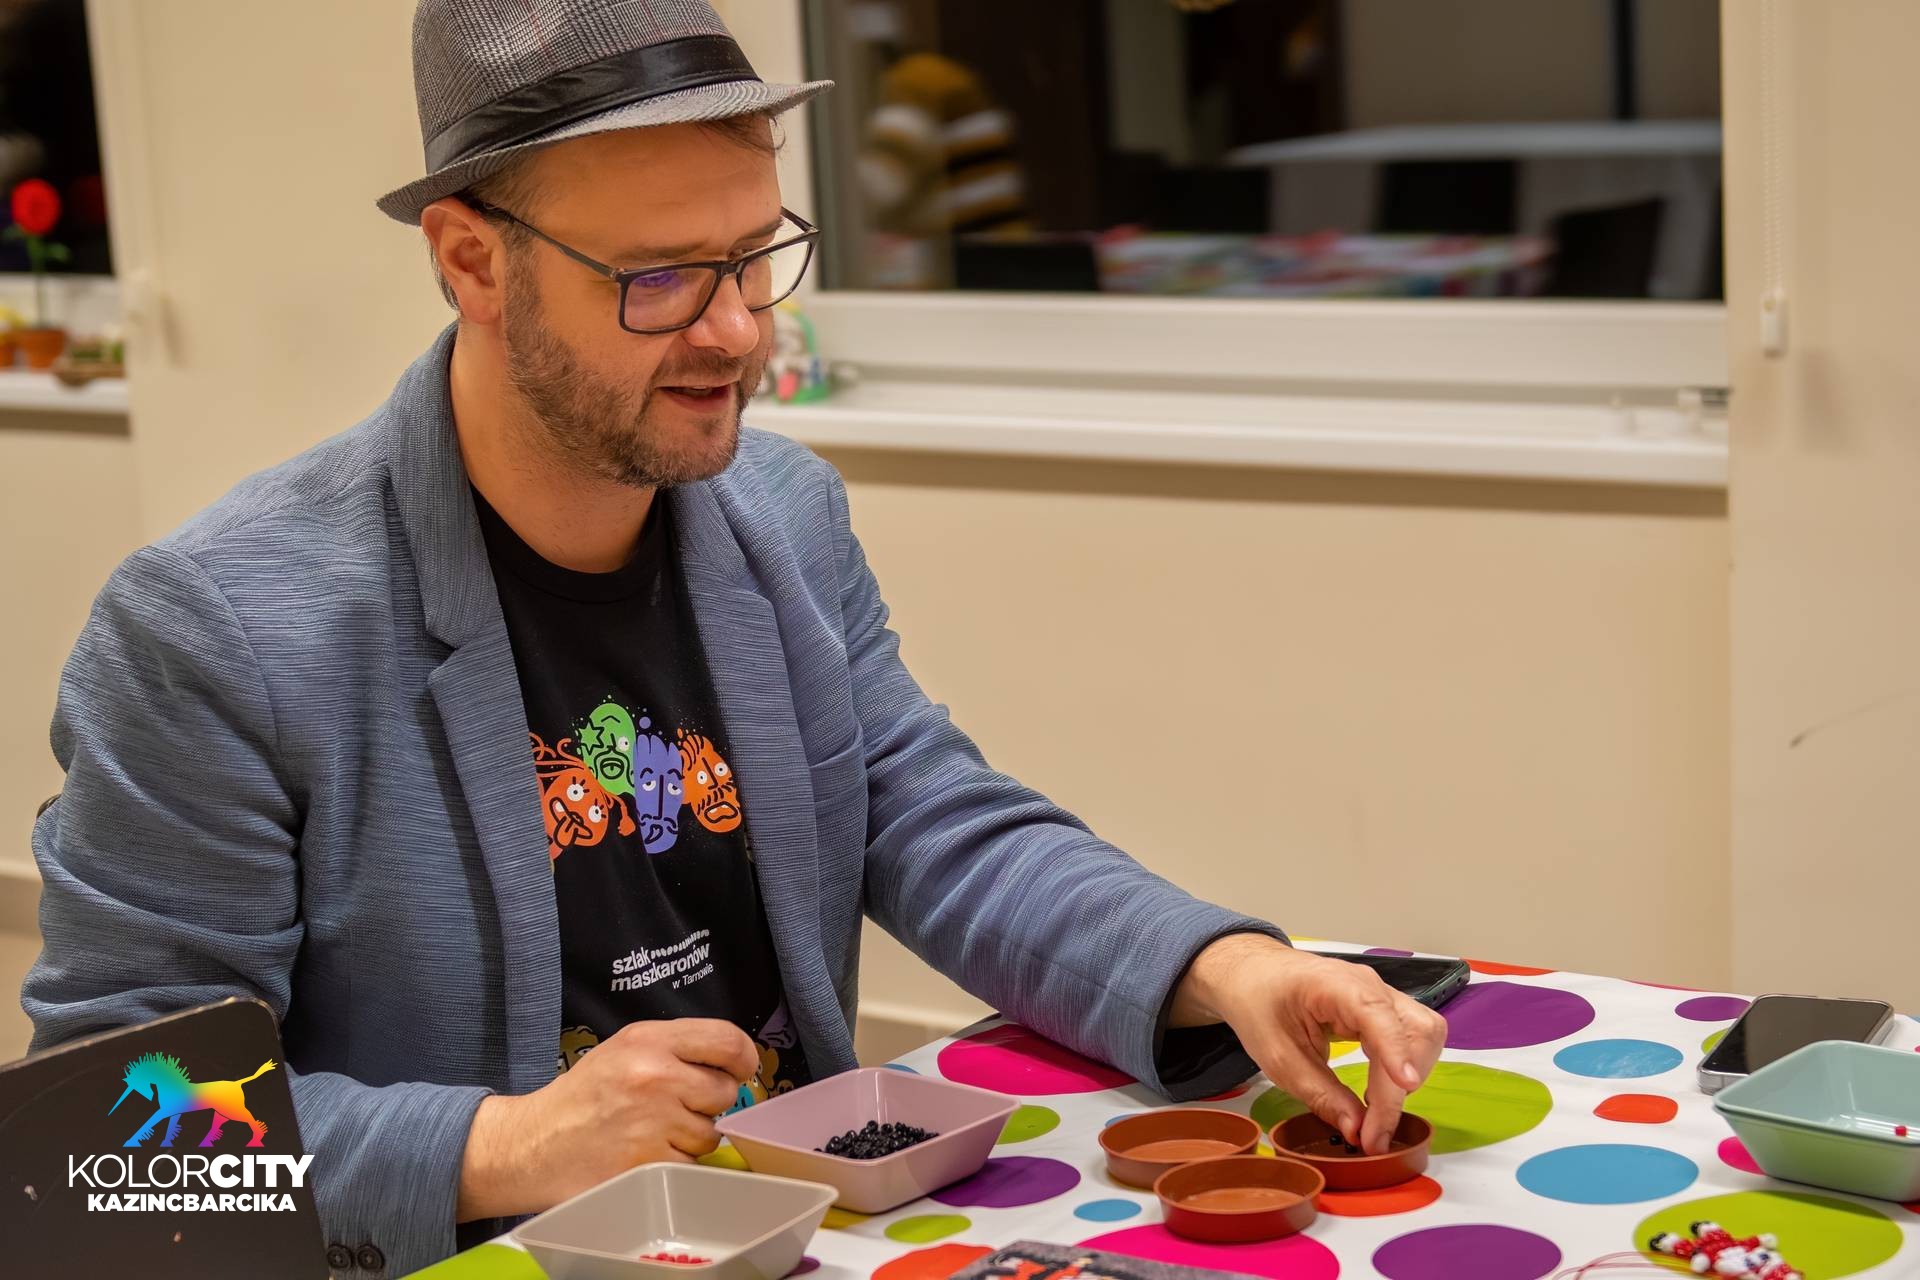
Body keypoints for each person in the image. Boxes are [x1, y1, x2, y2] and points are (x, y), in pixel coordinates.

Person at [21, 0, 1446, 1272]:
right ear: (470, 262)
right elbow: (110, 1149)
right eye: (657, 279)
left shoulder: (784, 513)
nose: (737, 335)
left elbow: (925, 816)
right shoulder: (216, 627)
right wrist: (505, 1146)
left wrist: (1224, 968)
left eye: (755, 258)